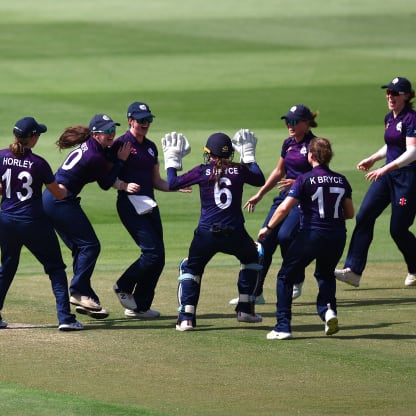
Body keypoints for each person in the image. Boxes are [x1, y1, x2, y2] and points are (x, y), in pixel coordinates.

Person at [163, 130, 266, 331]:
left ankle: (186, 318)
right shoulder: (240, 170)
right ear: (230, 154)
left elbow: (172, 183)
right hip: (235, 233)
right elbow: (260, 179)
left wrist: (172, 161)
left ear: (209, 153)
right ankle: (245, 309)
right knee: (253, 257)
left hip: (206, 234)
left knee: (191, 268)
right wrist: (250, 156)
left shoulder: (202, 171)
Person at [258, 137, 354, 340]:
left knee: (285, 276)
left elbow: (285, 207)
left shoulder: (304, 179)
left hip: (311, 235)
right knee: (325, 274)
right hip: (336, 236)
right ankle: (328, 312)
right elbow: (350, 213)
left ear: (311, 156)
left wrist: (268, 227)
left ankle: (283, 326)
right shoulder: (342, 180)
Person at [43, 114, 134, 320]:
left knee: (80, 248)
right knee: (90, 246)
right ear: (95, 134)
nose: (112, 134)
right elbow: (105, 184)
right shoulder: (94, 156)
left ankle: (86, 296)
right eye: (107, 131)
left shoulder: (93, 147)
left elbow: (104, 157)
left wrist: (113, 154)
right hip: (60, 201)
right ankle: (77, 291)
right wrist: (120, 161)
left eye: (113, 130)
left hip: (51, 200)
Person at [230, 104, 318, 305]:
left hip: (302, 202)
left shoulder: (315, 144)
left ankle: (297, 278)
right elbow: (279, 172)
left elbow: (320, 175)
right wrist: (260, 194)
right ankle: (255, 293)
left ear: (306, 122)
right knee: (264, 243)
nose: (290, 125)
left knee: (286, 236)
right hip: (283, 199)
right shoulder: (288, 143)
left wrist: (297, 182)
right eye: (288, 121)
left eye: (294, 122)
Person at [0, 117, 83, 331]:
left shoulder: (1, 156)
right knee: (55, 268)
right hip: (33, 223)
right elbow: (57, 193)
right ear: (33, 138)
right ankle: (65, 318)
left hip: (6, 220)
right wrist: (67, 188)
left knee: (7, 266)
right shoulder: (39, 163)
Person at [335, 77, 416, 288]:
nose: (390, 96)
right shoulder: (390, 118)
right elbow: (390, 146)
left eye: (395, 93)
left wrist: (386, 167)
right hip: (387, 176)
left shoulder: (411, 119)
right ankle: (353, 271)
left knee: (398, 229)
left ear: (406, 96)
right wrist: (373, 159)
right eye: (388, 92)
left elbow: (413, 151)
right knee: (364, 216)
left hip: (407, 179)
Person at [109, 102, 172, 319]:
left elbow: (156, 181)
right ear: (130, 120)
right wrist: (124, 185)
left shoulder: (151, 146)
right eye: (140, 120)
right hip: (129, 204)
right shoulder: (120, 144)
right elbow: (107, 177)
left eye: (148, 120)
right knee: (152, 252)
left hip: (148, 203)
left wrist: (178, 185)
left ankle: (140, 306)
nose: (145, 124)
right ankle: (123, 285)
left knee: (159, 256)